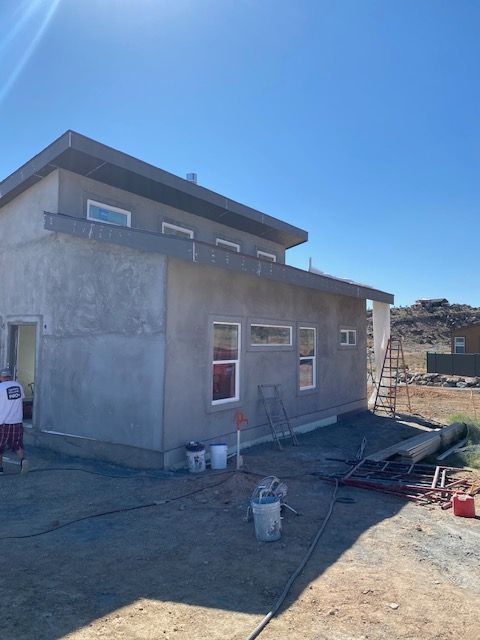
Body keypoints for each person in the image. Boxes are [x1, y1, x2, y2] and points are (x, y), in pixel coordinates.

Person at [0, 368, 29, 474]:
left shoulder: (0, 387)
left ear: (1, 377)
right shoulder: (18, 386)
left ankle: (0, 469)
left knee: (0, 446)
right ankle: (23, 460)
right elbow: (20, 400)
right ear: (10, 376)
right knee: (18, 444)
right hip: (17, 421)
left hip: (3, 422)